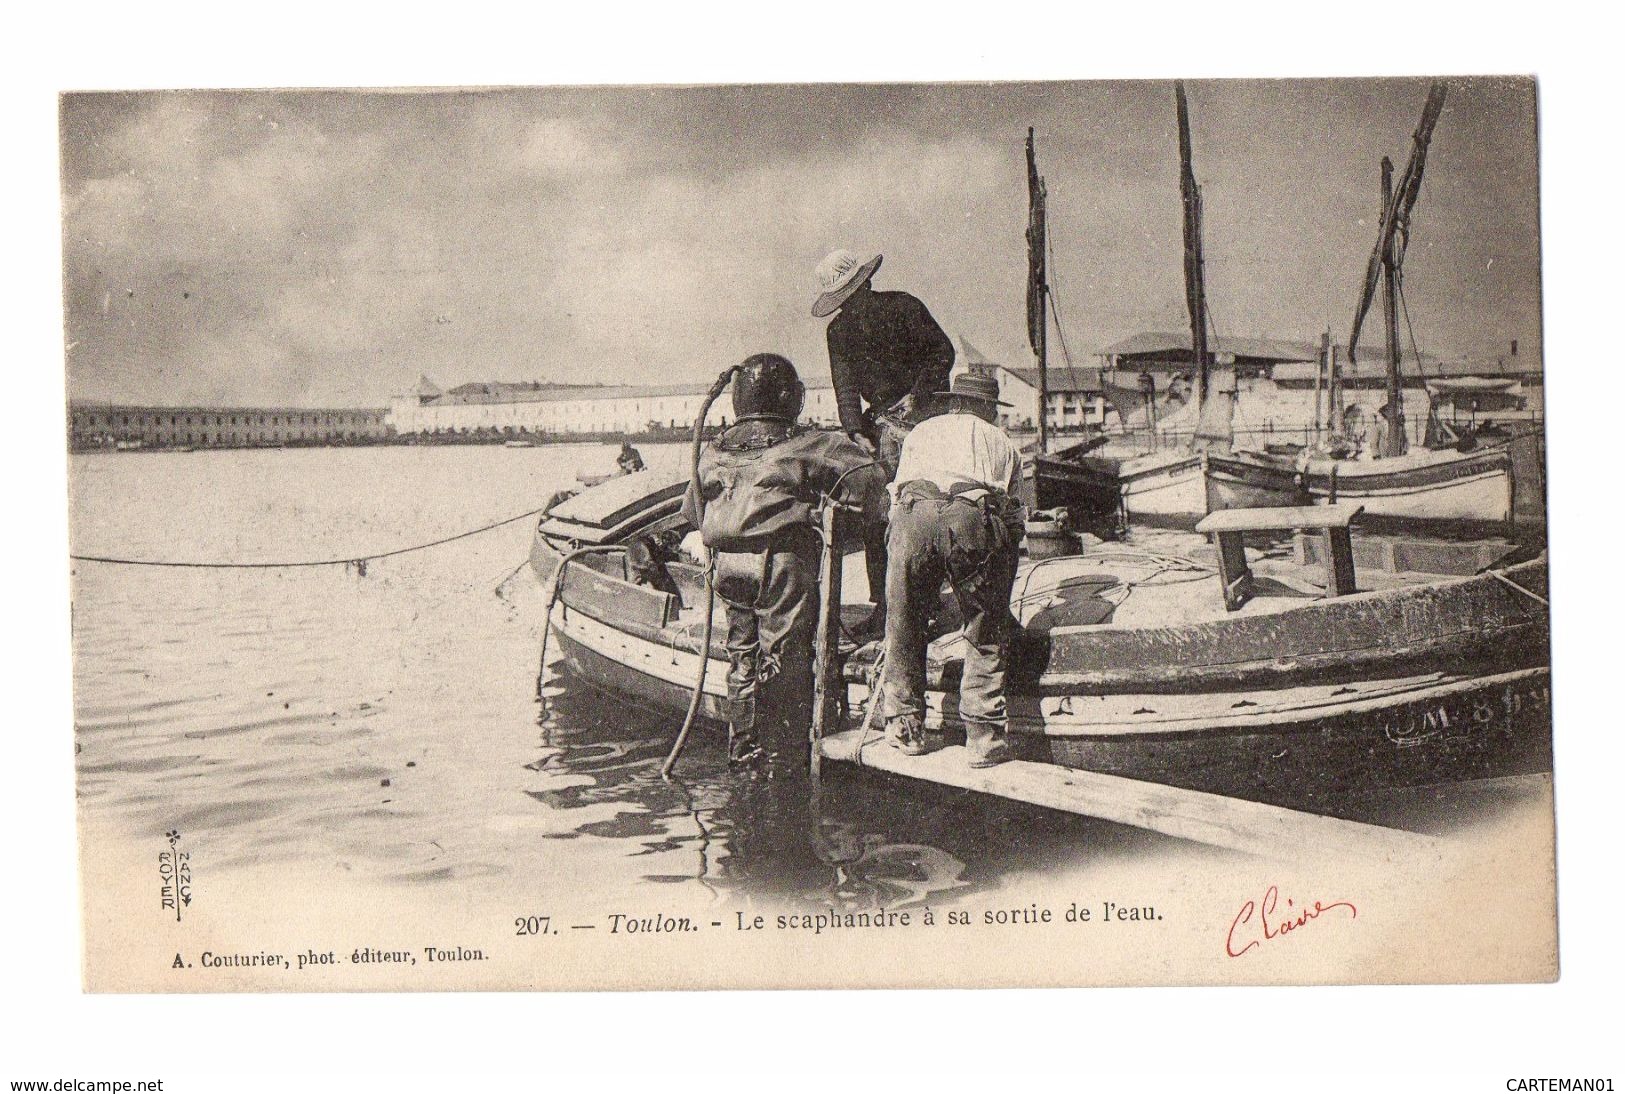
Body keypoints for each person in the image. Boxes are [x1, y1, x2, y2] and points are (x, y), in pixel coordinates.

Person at [681, 354, 885, 769]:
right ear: (789, 397)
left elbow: (691, 511)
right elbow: (871, 486)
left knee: (742, 657)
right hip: (781, 565)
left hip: (728, 568)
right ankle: (782, 757)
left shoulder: (714, 449)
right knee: (784, 658)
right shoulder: (809, 443)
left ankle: (743, 750)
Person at [879, 372, 1024, 768]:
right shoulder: (1004, 443)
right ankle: (983, 736)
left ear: (954, 402)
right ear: (988, 408)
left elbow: (894, 496)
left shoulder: (921, 432)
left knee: (904, 621)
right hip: (972, 515)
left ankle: (906, 727)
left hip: (914, 514)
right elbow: (1014, 515)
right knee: (984, 626)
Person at [812, 249, 955, 637]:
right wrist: (854, 429)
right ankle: (886, 605)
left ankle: (932, 598)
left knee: (929, 505)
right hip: (880, 427)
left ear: (866, 285)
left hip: (925, 417)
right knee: (879, 515)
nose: (851, 305)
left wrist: (919, 395)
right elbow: (845, 388)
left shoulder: (905, 307)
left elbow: (943, 353)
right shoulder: (838, 333)